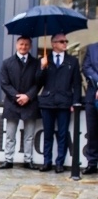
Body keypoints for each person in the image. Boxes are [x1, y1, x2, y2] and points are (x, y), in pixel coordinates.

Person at [37, 33, 81, 173]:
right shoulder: (45, 60)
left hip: (64, 102)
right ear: (53, 44)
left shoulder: (72, 61)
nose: (65, 43)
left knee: (62, 134)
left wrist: (75, 102)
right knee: (48, 134)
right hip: (48, 101)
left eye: (66, 41)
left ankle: (60, 163)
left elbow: (77, 84)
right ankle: (47, 162)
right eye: (62, 41)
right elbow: (38, 82)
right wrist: (42, 67)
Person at [0, 36, 40, 170]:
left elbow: (38, 83)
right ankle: (8, 159)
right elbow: (4, 83)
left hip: (30, 103)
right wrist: (17, 97)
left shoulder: (36, 63)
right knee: (10, 135)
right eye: (21, 44)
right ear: (17, 45)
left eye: (26, 45)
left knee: (29, 135)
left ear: (30, 47)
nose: (23, 47)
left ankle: (28, 160)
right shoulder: (7, 63)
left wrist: (28, 96)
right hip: (12, 104)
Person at [82, 42, 98, 175]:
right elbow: (86, 68)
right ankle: (92, 163)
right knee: (92, 131)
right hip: (92, 97)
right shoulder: (91, 48)